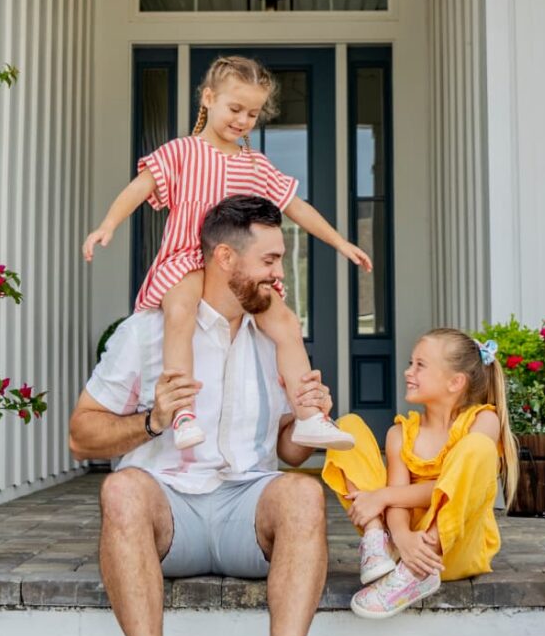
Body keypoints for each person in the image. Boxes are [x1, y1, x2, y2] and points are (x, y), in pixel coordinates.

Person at [69, 196, 331, 636]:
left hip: (244, 508)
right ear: (224, 259)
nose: (279, 275)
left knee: (305, 495)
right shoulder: (147, 333)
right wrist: (151, 421)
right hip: (170, 514)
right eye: (270, 260)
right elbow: (81, 435)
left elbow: (288, 453)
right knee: (121, 489)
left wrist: (310, 418)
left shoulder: (275, 335)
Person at [81, 54, 369, 452]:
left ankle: (308, 416)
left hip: (238, 269)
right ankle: (183, 412)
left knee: (284, 322)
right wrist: (107, 225)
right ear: (208, 98)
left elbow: (295, 206)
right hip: (187, 258)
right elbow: (141, 187)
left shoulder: (255, 165)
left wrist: (340, 242)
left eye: (252, 113)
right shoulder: (181, 152)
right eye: (235, 108)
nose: (242, 120)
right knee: (179, 313)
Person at [321, 328, 519, 619]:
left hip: (452, 549)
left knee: (477, 448)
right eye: (410, 363)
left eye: (420, 365)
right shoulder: (400, 433)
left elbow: (451, 487)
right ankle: (377, 542)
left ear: (455, 382)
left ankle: (416, 571)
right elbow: (399, 503)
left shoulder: (482, 422)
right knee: (347, 425)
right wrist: (401, 536)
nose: (407, 372)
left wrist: (382, 496)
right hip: (403, 546)